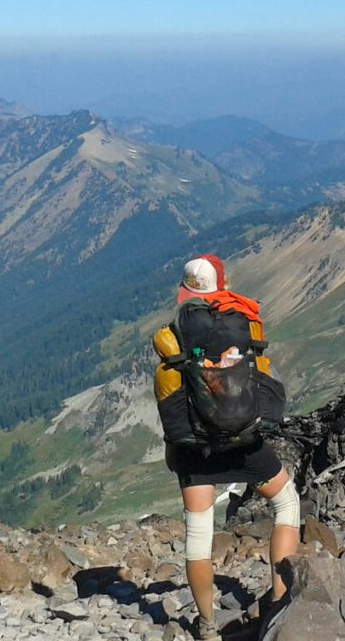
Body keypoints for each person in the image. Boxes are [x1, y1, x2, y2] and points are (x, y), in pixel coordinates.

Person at [157, 255, 299, 641]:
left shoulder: (174, 335)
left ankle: (206, 626)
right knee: (286, 504)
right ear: (221, 285)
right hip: (244, 440)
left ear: (187, 291)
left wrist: (175, 447)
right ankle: (280, 603)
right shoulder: (245, 323)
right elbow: (264, 376)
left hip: (195, 449)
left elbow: (168, 393)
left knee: (198, 535)